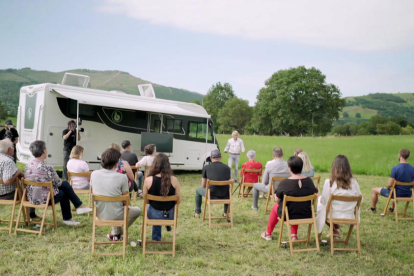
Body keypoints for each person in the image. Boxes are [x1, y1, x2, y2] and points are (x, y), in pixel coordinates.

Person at [25, 140, 92, 225]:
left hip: (31, 198)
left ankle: (77, 208)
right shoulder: (47, 167)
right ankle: (73, 212)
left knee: (64, 187)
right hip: (44, 200)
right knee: (64, 188)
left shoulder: (28, 166)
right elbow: (58, 183)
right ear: (44, 151)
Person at [261, 156, 318, 241]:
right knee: (296, 205)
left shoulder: (285, 183)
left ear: (290, 169)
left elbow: (277, 199)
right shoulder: (309, 181)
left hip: (289, 214)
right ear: (301, 168)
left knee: (277, 207)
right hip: (306, 214)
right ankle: (293, 235)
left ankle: (268, 233)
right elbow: (315, 193)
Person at [91, 148, 142, 241]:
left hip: (99, 213)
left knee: (116, 206)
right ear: (116, 162)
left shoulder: (94, 174)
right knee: (136, 210)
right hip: (116, 213)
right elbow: (125, 201)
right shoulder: (122, 177)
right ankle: (117, 233)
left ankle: (115, 234)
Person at [316, 155, 362, 237]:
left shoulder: (329, 182)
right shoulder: (354, 182)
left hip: (333, 215)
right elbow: (360, 200)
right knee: (325, 207)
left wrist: (319, 198)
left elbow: (324, 201)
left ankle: (332, 229)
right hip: (350, 215)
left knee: (321, 207)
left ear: (334, 168)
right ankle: (334, 229)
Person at [143, 153, 181, 241]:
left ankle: (156, 239)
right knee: (165, 208)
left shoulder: (148, 180)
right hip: (170, 215)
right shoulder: (174, 180)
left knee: (151, 207)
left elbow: (146, 201)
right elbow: (178, 201)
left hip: (154, 214)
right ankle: (166, 223)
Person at [194, 149, 231, 218]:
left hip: (211, 195)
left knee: (198, 190)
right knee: (226, 190)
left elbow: (203, 185)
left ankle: (197, 213)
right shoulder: (227, 168)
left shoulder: (206, 167)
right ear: (221, 157)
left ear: (211, 158)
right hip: (225, 195)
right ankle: (226, 213)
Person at [251, 147, 290, 211]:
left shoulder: (269, 165)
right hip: (285, 189)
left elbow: (264, 182)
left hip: (272, 189)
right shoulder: (289, 165)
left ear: (273, 155)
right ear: (283, 154)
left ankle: (255, 206)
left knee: (255, 185)